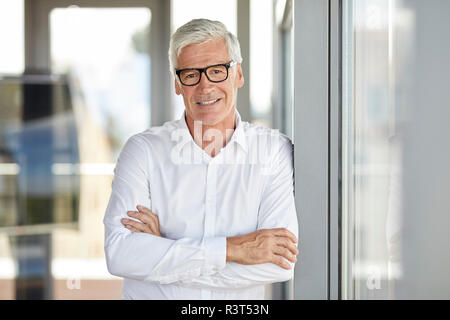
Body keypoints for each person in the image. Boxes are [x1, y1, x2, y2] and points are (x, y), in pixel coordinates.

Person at [103, 18, 299, 299]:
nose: (205, 86)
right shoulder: (143, 151)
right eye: (191, 74)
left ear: (238, 74)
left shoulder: (274, 152)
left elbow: (279, 265)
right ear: (177, 84)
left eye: (217, 71)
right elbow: (121, 254)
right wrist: (234, 250)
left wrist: (164, 251)